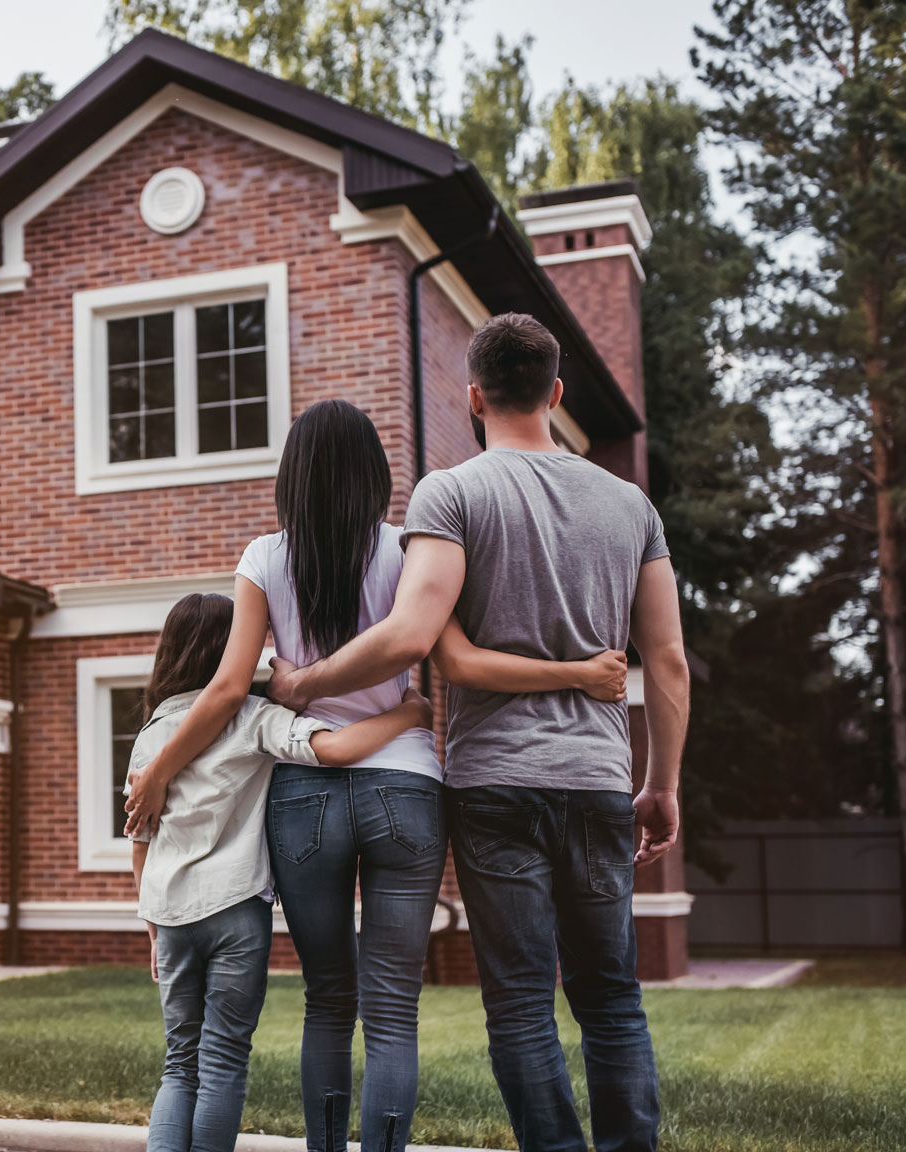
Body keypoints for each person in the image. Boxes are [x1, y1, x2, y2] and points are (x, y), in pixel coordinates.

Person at [125, 398, 630, 1152]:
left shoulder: (264, 559)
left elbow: (230, 690)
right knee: (393, 1010)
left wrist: (161, 769)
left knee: (329, 1001)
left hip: (304, 799)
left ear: (291, 477)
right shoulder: (411, 550)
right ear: (376, 474)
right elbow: (447, 653)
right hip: (406, 789)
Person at [254, 315, 690, 1152]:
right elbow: (666, 662)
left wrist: (303, 682)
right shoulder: (631, 504)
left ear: (473, 397)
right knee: (611, 998)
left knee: (522, 1003)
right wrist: (661, 782)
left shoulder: (450, 493)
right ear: (557, 394)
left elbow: (417, 638)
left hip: (493, 783)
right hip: (599, 778)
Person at [128, 590, 433, 1152]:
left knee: (180, 1062)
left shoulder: (151, 736)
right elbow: (336, 750)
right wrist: (409, 713)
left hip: (169, 918)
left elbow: (140, 843)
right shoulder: (251, 718)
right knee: (221, 1060)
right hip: (235, 914)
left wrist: (153, 928)